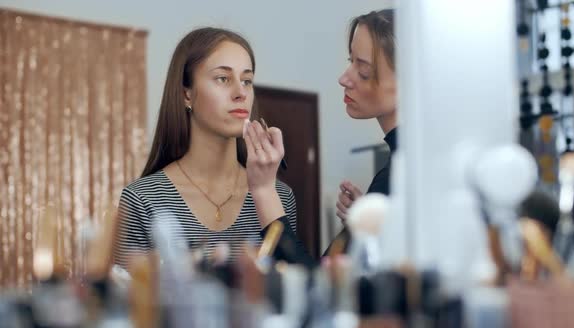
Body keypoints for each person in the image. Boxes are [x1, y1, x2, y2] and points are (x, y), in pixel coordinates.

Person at [113, 27, 307, 267]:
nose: (240, 93)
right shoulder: (142, 200)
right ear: (187, 94)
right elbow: (122, 300)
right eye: (223, 79)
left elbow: (296, 291)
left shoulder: (280, 197)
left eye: (247, 81)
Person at [325, 9, 397, 255]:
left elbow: (325, 279)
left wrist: (264, 194)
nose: (344, 79)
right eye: (350, 62)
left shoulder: (400, 175)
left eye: (363, 71)